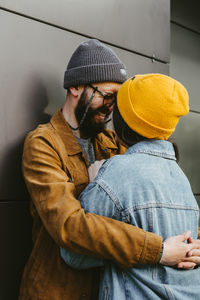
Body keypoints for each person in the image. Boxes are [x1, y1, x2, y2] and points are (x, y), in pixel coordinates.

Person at [19, 40, 200, 300]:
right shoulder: (43, 144)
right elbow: (69, 226)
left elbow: (153, 203)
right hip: (58, 290)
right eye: (107, 95)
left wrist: (192, 242)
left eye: (117, 99)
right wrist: (158, 250)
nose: (111, 107)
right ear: (75, 87)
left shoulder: (111, 143)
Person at [60, 74, 200, 299]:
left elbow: (73, 254)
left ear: (126, 119)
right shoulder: (181, 178)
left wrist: (93, 186)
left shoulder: (118, 173)